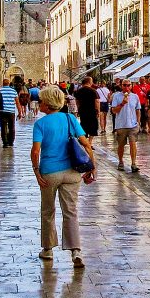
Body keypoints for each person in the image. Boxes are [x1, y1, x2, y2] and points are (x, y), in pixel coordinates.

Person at [31, 86, 95, 268]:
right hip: (72, 172)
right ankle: (76, 251)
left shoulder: (41, 124)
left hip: (49, 172)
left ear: (48, 104)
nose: (40, 103)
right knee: (71, 211)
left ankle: (48, 249)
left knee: (48, 211)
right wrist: (92, 167)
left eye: (41, 101)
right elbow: (86, 144)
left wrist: (36, 171)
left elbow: (36, 151)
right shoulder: (70, 119)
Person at [111, 80, 142, 172]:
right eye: (124, 85)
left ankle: (133, 163)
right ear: (121, 86)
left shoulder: (135, 96)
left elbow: (138, 110)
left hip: (133, 124)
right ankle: (120, 161)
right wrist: (122, 104)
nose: (126, 87)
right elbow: (113, 111)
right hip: (121, 125)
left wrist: (138, 122)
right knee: (121, 144)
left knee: (133, 143)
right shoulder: (116, 96)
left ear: (131, 86)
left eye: (128, 85)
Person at [0, 78, 19, 148]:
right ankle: (11, 142)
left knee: (3, 127)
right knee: (12, 127)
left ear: (3, 83)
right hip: (11, 111)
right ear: (9, 83)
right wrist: (20, 112)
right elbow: (17, 102)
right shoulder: (13, 91)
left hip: (3, 111)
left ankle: (5, 143)